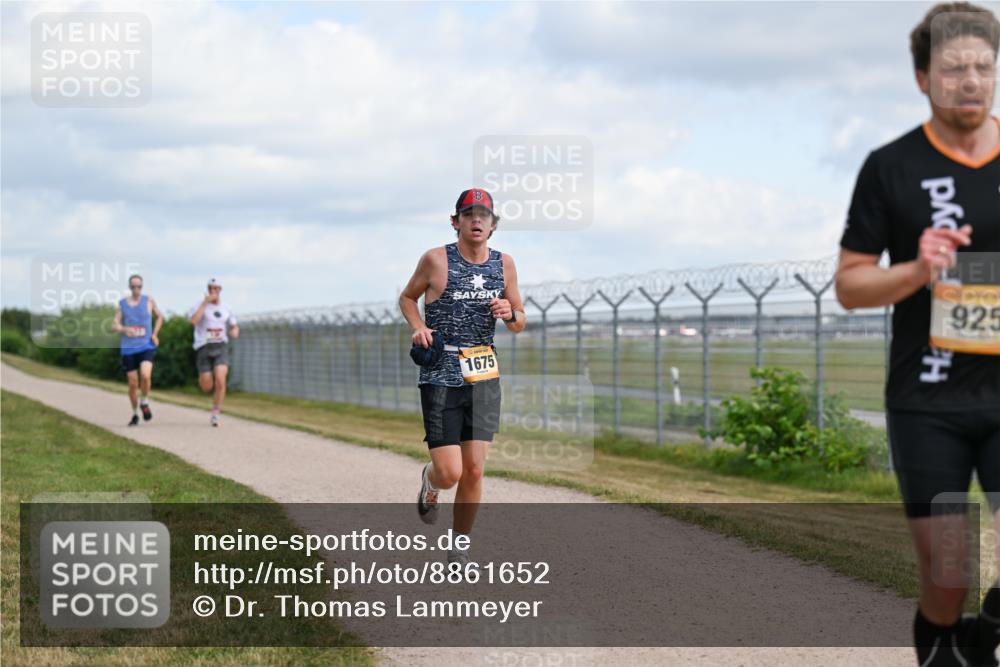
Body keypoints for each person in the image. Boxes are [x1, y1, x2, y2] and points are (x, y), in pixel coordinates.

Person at [836, 4, 999, 664]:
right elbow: (849, 286)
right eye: (954, 68)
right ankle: (946, 646)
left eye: (984, 67)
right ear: (922, 77)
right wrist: (917, 267)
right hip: (928, 398)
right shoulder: (891, 167)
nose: (971, 81)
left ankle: (983, 636)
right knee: (948, 571)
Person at [399, 188, 525, 565]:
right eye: (468, 214)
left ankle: (459, 546)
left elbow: (519, 320)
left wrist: (509, 313)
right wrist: (418, 325)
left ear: (492, 224)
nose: (476, 221)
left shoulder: (505, 264)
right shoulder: (436, 260)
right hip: (441, 372)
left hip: (484, 372)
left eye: (483, 215)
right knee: (450, 472)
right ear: (455, 222)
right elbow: (407, 298)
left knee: (474, 468)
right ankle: (431, 480)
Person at [112, 274, 163, 426]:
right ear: (129, 287)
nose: (136, 289)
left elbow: (160, 317)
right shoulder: (122, 304)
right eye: (133, 286)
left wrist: (155, 334)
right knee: (133, 383)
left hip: (146, 345)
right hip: (128, 349)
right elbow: (114, 325)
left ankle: (144, 401)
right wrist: (124, 329)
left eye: (139, 286)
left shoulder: (149, 301)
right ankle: (135, 413)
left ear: (142, 286)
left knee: (146, 375)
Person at [189, 278, 239, 427]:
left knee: (220, 379)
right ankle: (203, 378)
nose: (213, 291)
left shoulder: (226, 308)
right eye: (210, 288)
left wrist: (234, 330)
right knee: (206, 386)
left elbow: (234, 325)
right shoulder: (199, 305)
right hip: (204, 347)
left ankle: (216, 412)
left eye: (216, 289)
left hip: (221, 346)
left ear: (220, 290)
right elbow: (193, 321)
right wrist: (205, 303)